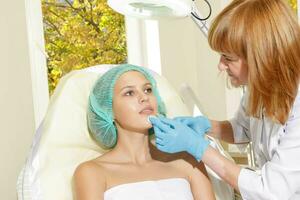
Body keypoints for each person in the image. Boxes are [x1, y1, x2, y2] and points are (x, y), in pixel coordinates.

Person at [149, 0, 300, 199]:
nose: (220, 66)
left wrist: (197, 147)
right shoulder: (260, 87)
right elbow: (243, 128)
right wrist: (205, 126)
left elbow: (271, 191)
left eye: (228, 58)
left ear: (262, 57)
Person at [73, 64, 215, 200]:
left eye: (147, 90)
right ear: (108, 110)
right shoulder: (91, 172)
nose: (144, 97)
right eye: (129, 93)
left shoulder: (188, 161)